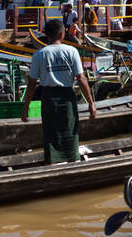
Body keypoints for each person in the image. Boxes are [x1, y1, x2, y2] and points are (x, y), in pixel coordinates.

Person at [22, 17, 97, 163]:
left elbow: (31, 84)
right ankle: (72, 159)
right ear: (62, 34)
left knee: (51, 132)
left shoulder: (39, 54)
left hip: (48, 97)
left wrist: (25, 108)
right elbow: (81, 79)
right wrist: (91, 103)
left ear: (47, 35)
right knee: (70, 130)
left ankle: (53, 162)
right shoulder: (71, 51)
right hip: (67, 96)